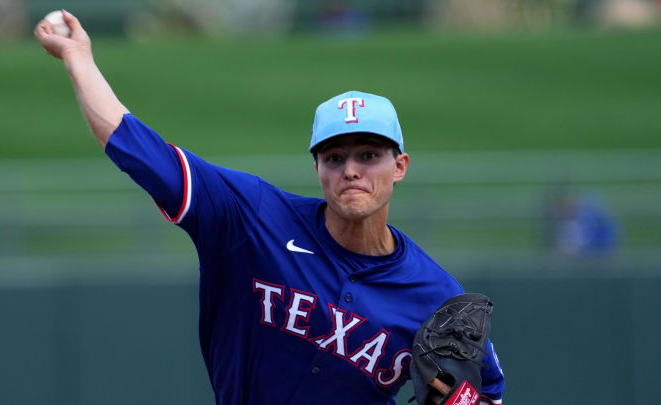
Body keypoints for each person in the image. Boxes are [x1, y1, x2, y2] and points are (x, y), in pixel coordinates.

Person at [34, 11, 505, 405]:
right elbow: (139, 150)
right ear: (317, 168)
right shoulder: (253, 216)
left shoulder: (435, 295)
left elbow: (489, 393)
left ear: (399, 166)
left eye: (369, 155)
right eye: (335, 158)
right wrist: (79, 60)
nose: (352, 171)